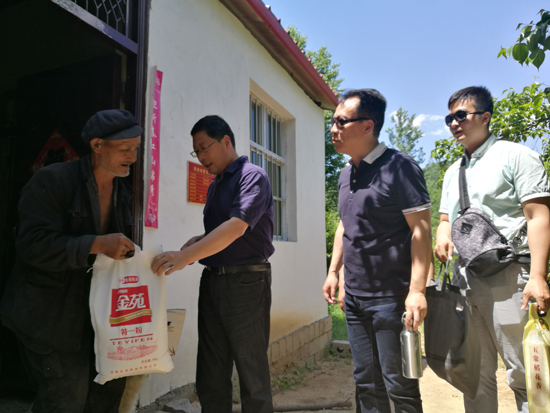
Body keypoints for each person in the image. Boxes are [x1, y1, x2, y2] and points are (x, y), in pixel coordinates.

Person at [0, 109, 142, 413]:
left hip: (98, 317)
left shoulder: (124, 192)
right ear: (97, 145)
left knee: (107, 392)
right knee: (66, 399)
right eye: (124, 148)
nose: (132, 156)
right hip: (49, 317)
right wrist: (97, 244)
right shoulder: (53, 180)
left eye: (136, 148)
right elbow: (31, 245)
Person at [434, 86, 550, 413]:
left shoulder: (516, 156)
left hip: (510, 276)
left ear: (485, 117)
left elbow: (538, 216)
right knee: (474, 374)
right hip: (465, 279)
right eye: (449, 118)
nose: (454, 123)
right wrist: (442, 235)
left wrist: (537, 276)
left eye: (461, 115)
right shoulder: (452, 172)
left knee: (525, 373)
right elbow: (445, 220)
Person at [151, 115, 275, 413]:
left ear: (226, 141)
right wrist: (199, 241)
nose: (201, 156)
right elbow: (221, 231)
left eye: (204, 147)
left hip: (246, 283)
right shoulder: (216, 184)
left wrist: (185, 257)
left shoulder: (251, 176)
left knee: (251, 371)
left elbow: (236, 227)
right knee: (211, 369)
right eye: (196, 151)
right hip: (213, 280)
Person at [322, 89, 432, 413]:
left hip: (391, 298)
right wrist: (334, 271)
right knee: (365, 382)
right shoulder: (346, 173)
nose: (333, 129)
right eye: (332, 121)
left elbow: (421, 231)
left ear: (368, 126)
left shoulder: (400, 168)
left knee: (399, 385)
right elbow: (345, 225)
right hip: (355, 298)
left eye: (341, 122)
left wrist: (417, 291)